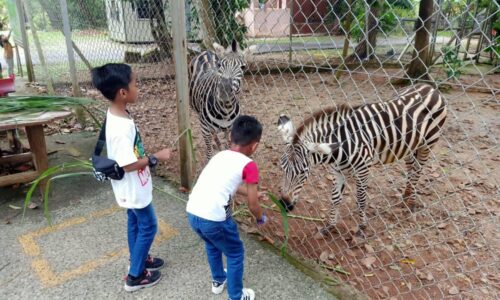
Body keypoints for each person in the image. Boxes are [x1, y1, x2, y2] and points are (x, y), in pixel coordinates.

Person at [91, 63, 172, 292]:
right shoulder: (119, 128)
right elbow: (127, 164)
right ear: (123, 93)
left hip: (132, 186)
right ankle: (135, 276)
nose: (139, 88)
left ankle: (140, 257)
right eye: (135, 83)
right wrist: (156, 157)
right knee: (149, 225)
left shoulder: (119, 112)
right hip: (132, 186)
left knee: (134, 221)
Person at [186, 115, 268, 300]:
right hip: (215, 220)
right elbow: (253, 205)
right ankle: (236, 296)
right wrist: (260, 217)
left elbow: (227, 184)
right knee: (235, 253)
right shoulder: (249, 165)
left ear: (231, 136)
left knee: (212, 244)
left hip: (193, 212)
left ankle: (218, 280)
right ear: (255, 145)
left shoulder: (220, 156)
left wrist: (251, 192)